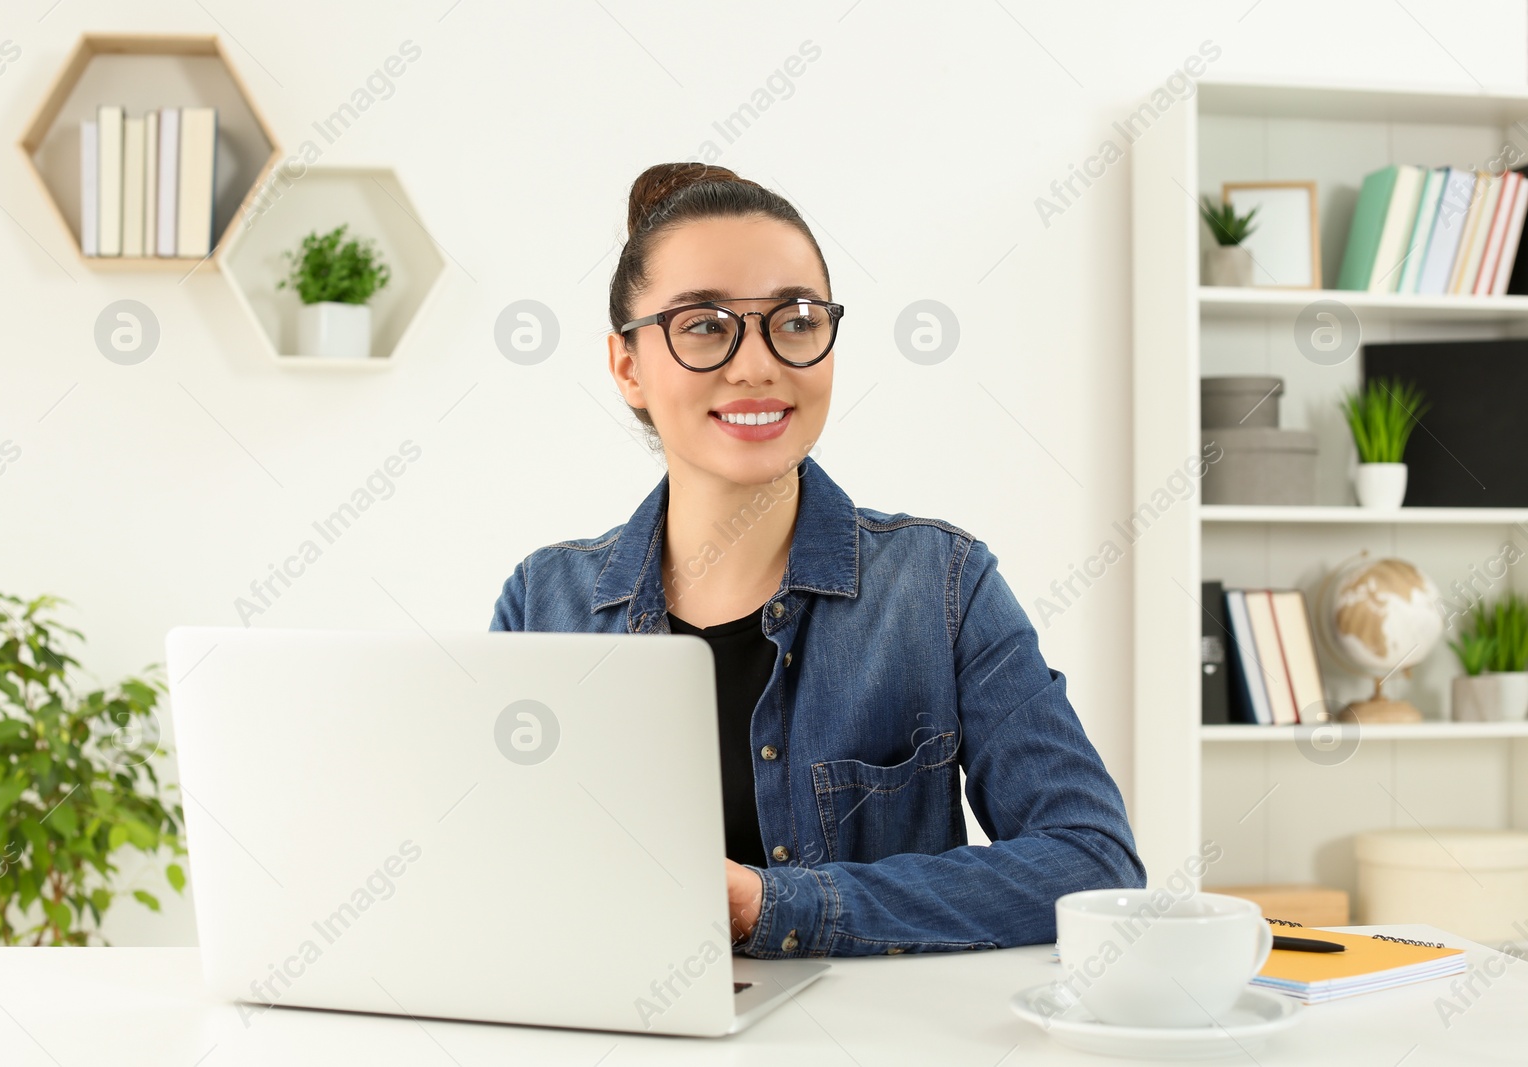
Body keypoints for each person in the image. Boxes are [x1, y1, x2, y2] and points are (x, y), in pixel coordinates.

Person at [489, 162, 1145, 958]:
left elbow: (1092, 861)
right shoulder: (543, 603)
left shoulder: (940, 586)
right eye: (703, 324)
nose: (758, 362)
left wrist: (776, 904)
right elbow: (490, 875)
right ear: (628, 365)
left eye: (794, 319)